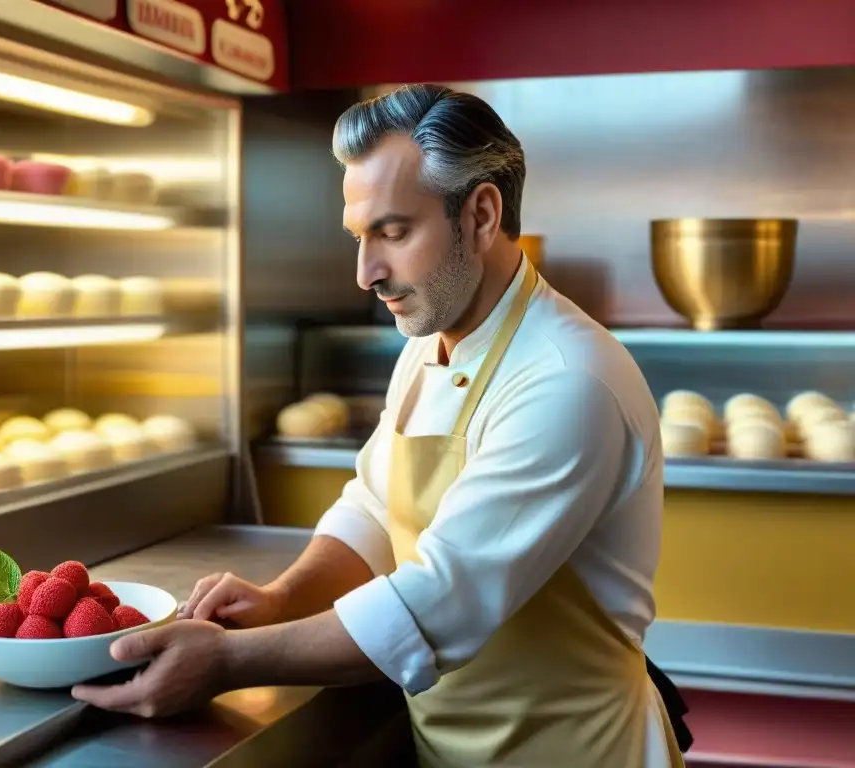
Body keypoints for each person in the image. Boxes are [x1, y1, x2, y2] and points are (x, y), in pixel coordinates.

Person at [73, 84, 690, 767]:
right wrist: (280, 600)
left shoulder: (567, 380)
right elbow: (374, 504)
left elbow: (441, 601)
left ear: (480, 216)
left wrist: (229, 661)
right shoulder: (429, 343)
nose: (365, 272)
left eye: (394, 232)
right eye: (359, 236)